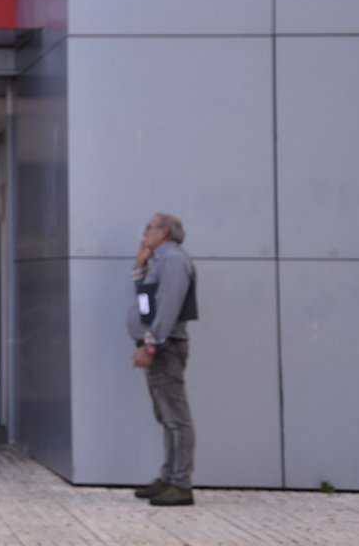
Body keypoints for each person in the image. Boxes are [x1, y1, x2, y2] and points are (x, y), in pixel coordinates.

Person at [127, 212, 198, 507]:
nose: (144, 233)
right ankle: (169, 477)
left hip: (165, 348)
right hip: (157, 346)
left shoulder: (173, 260)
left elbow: (168, 306)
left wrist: (152, 344)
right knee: (166, 416)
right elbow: (146, 303)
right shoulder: (159, 261)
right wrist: (140, 268)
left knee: (176, 418)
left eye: (149, 228)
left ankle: (180, 484)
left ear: (165, 232)